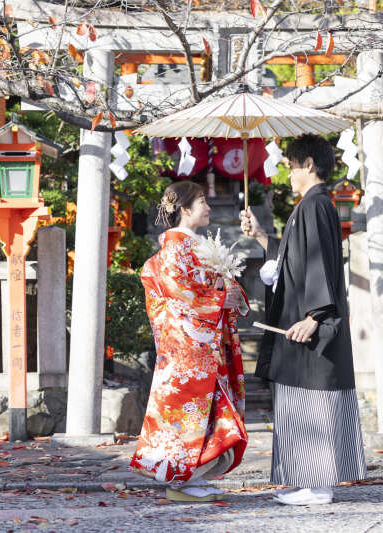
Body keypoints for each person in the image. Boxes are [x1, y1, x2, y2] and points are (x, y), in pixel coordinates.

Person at [240, 134, 366, 506]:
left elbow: (320, 265)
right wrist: (263, 237)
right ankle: (307, 481)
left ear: (308, 165)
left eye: (292, 166)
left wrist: (315, 315)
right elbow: (295, 260)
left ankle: (318, 485)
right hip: (305, 318)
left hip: (311, 321)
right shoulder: (312, 205)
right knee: (301, 397)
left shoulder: (315, 206)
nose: (289, 174)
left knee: (313, 398)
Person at [130, 181, 250, 502]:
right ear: (184, 209)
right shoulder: (174, 249)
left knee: (210, 419)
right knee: (193, 420)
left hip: (203, 345)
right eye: (201, 202)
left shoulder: (194, 246)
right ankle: (181, 481)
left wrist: (231, 294)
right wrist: (218, 300)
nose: (208, 207)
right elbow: (180, 294)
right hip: (187, 352)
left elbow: (211, 290)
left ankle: (189, 479)